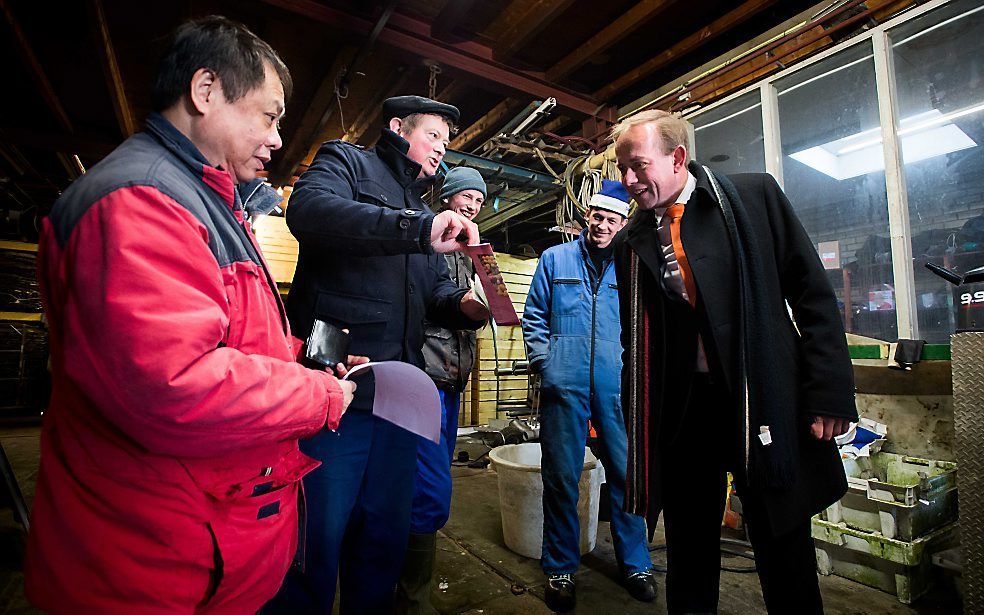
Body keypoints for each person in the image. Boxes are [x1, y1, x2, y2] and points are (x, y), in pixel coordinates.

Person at [24, 16, 358, 613]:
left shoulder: (203, 197)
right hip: (151, 568)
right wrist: (317, 397)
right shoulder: (143, 201)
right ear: (206, 91)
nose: (278, 138)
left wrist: (302, 364)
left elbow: (227, 338)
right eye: (270, 114)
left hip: (202, 550)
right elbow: (176, 385)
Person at [611, 109, 857, 614]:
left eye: (638, 165)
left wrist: (828, 392)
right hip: (686, 414)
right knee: (688, 548)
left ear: (678, 157)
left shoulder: (752, 199)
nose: (629, 180)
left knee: (781, 537)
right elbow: (637, 339)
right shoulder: (633, 242)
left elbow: (813, 295)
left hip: (758, 397)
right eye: (622, 169)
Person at [273, 96, 489, 613]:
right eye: (435, 134)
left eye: (447, 140)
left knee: (383, 536)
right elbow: (309, 211)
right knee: (316, 536)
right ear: (397, 127)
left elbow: (435, 293)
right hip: (334, 393)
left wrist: (469, 307)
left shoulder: (423, 210)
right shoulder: (347, 162)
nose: (443, 147)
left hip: (398, 399)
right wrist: (413, 230)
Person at [522, 180, 655, 612]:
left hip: (617, 387)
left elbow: (643, 323)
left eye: (613, 219)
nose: (602, 225)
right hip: (564, 385)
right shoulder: (554, 258)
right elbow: (535, 316)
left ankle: (635, 564)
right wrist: (548, 364)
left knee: (625, 474)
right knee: (561, 477)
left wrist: (635, 372)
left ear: (622, 224)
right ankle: (561, 567)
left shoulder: (632, 264)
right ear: (587, 217)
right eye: (597, 216)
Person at [396, 166, 487, 614]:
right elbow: (430, 303)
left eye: (479, 200)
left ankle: (410, 588)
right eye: (465, 195)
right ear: (447, 197)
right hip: (424, 379)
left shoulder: (475, 253)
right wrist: (465, 304)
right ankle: (412, 597)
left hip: (452, 382)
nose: (472, 205)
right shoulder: (429, 242)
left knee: (432, 482)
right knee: (429, 488)